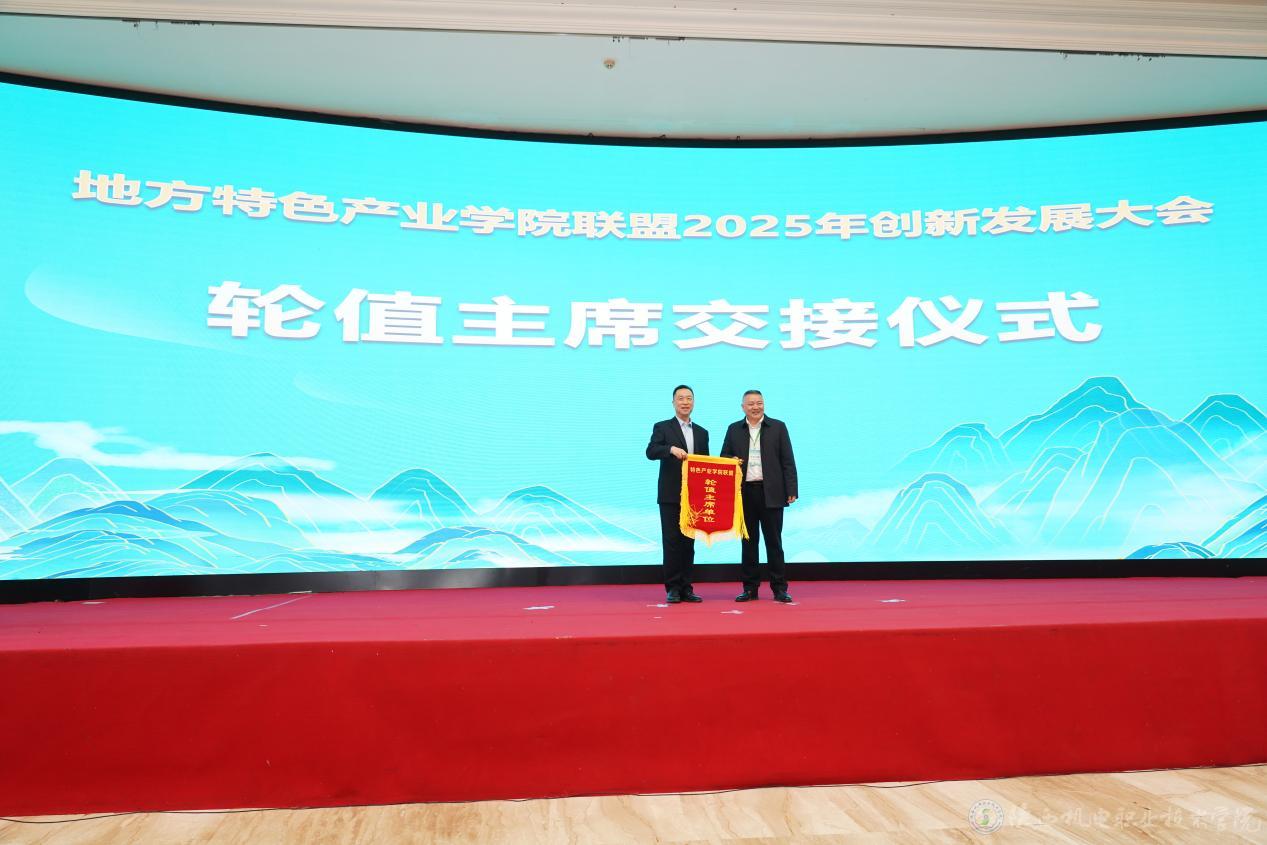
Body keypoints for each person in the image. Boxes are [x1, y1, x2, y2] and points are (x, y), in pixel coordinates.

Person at [720, 389, 798, 603]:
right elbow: (723, 456)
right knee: (748, 543)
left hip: (771, 492)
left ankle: (779, 588)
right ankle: (750, 588)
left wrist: (791, 489)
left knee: (774, 543)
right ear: (743, 407)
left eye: (759, 403)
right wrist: (730, 460)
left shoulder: (778, 427)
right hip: (744, 493)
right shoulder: (734, 429)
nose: (756, 407)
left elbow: (788, 460)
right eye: (751, 404)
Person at [645, 385, 709, 604]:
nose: (685, 402)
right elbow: (651, 451)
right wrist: (670, 449)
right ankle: (672, 588)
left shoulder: (702, 432)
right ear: (673, 402)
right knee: (672, 542)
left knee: (688, 543)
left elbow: (705, 464)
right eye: (680, 398)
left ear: (694, 402)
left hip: (693, 497)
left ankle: (686, 588)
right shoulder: (662, 427)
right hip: (670, 495)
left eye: (689, 398)